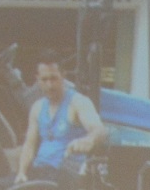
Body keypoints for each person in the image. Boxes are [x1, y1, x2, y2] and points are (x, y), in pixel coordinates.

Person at [13, 54, 109, 183]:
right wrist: (21, 173)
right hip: (40, 172)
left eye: (54, 78)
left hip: (64, 176)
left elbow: (100, 130)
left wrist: (89, 139)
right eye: (44, 79)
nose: (49, 85)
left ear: (63, 76)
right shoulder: (37, 107)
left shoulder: (78, 103)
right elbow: (29, 145)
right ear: (37, 80)